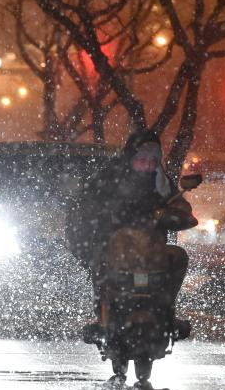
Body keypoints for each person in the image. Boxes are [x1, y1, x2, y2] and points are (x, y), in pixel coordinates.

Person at [66, 131, 193, 341]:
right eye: (142, 159)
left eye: (153, 160)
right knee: (100, 263)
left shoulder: (162, 183)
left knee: (178, 256)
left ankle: (167, 309)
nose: (148, 164)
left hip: (153, 249)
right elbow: (86, 205)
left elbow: (179, 205)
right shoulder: (108, 178)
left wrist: (175, 214)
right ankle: (102, 317)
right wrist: (102, 217)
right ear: (131, 157)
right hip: (115, 247)